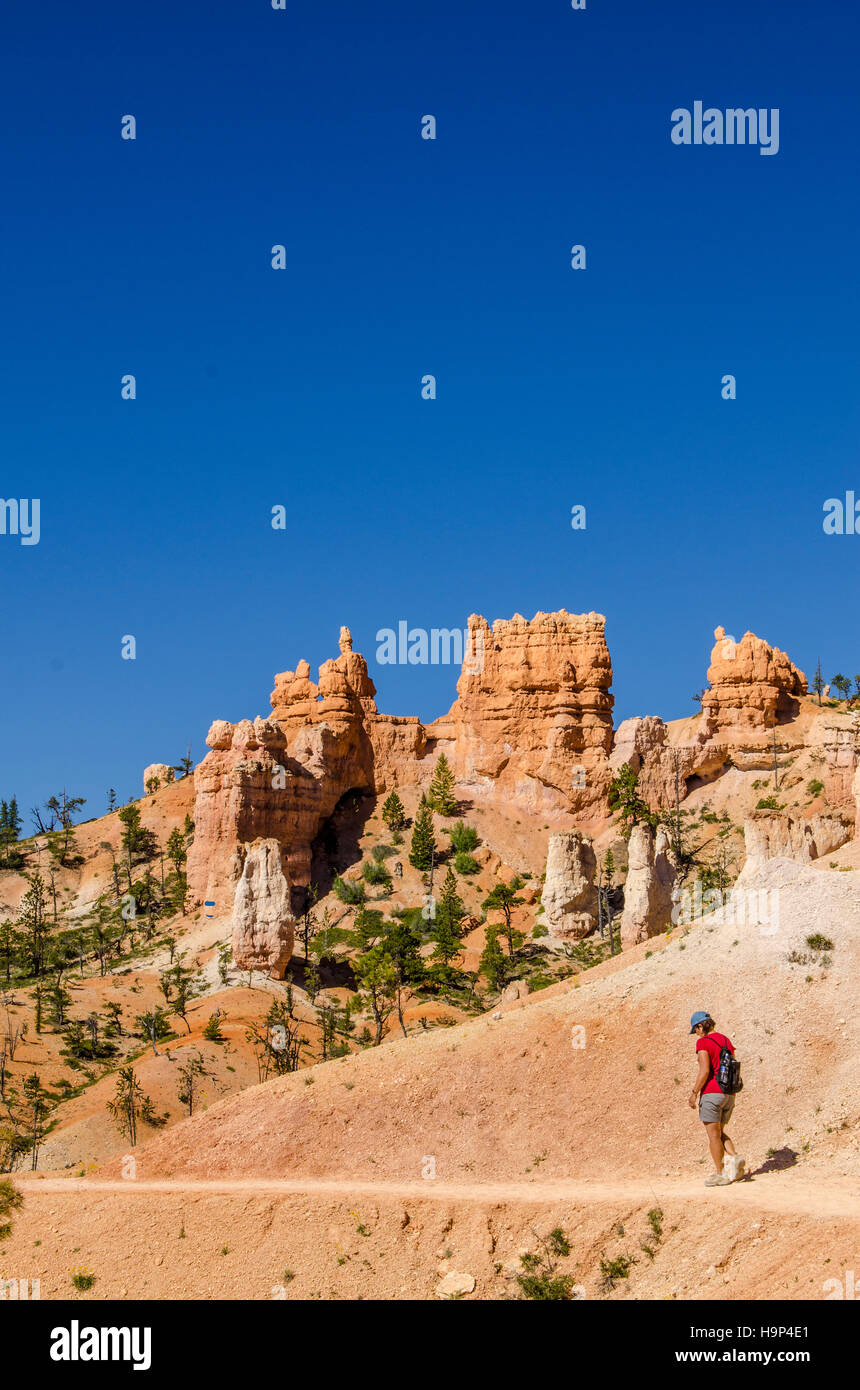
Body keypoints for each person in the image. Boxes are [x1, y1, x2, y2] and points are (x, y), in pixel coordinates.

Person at [687, 1011, 745, 1186]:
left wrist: (694, 1092)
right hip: (729, 1094)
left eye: (695, 1029)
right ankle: (735, 1158)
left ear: (700, 1026)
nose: (696, 1033)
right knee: (718, 1132)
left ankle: (721, 1173)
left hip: (712, 1093)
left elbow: (705, 1070)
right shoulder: (726, 1040)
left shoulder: (703, 1042)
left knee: (713, 1136)